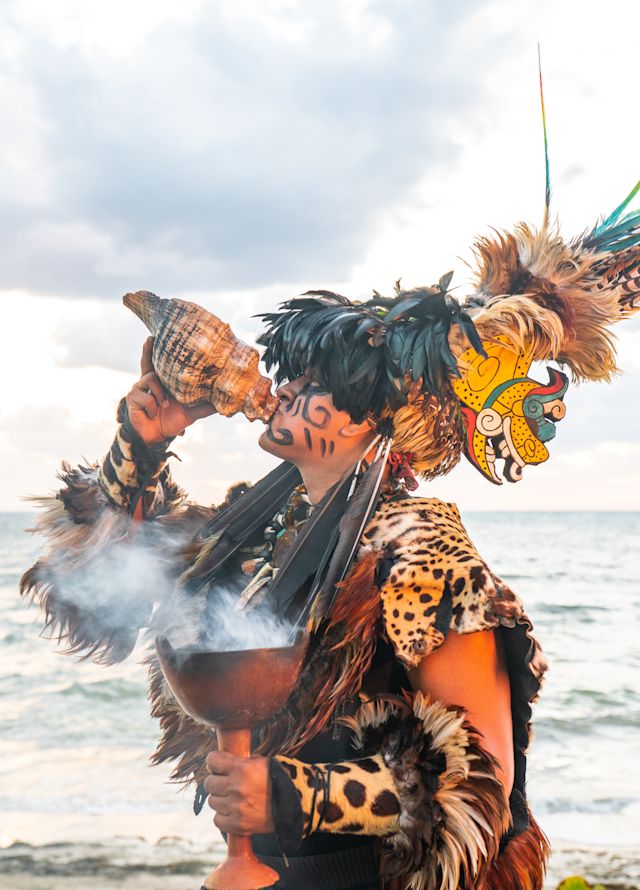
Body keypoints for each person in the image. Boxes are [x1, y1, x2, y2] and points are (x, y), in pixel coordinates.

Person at [21, 179, 639, 890]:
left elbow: (484, 784)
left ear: (375, 421)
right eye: (295, 374)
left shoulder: (419, 547)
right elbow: (107, 589)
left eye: (314, 383)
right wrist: (143, 440)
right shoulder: (260, 526)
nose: (284, 389)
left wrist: (293, 796)